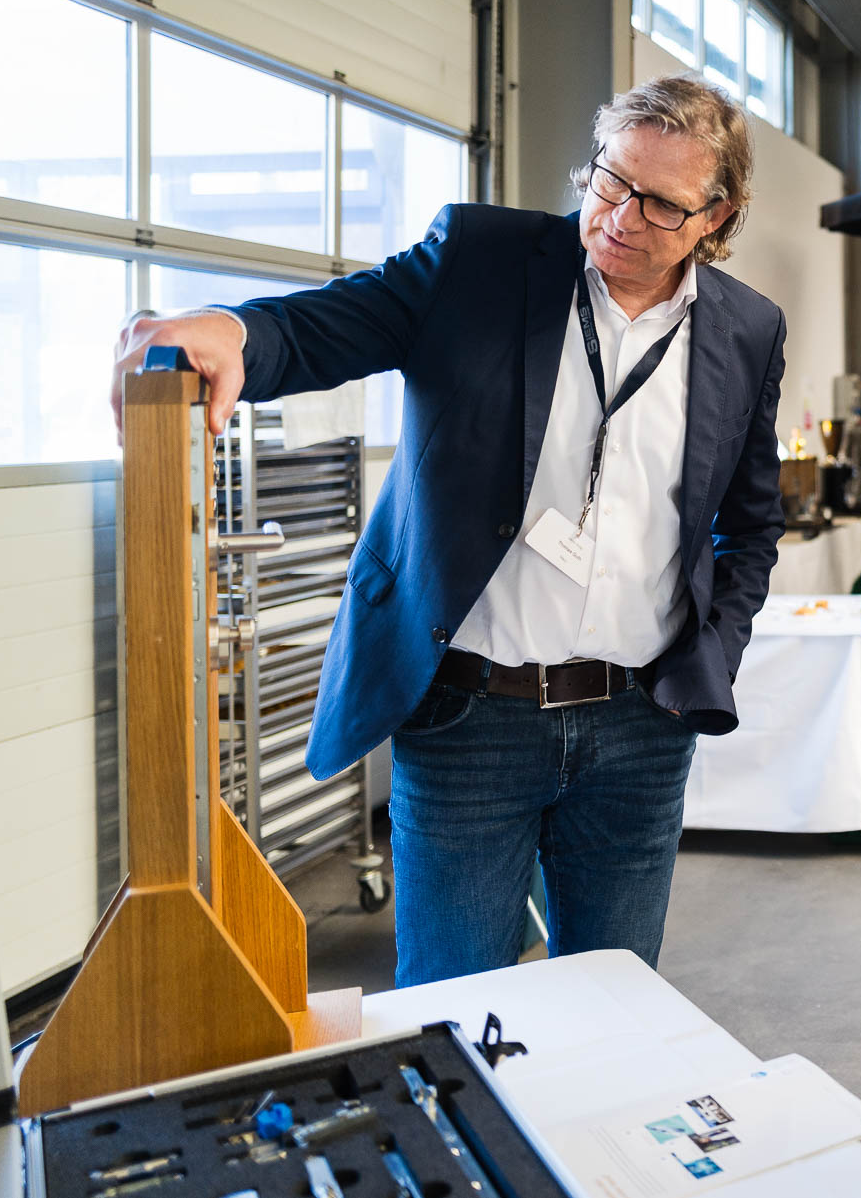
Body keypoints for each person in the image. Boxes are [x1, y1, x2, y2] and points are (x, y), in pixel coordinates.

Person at [108, 76, 787, 986]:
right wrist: (229, 330)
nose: (621, 215)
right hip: (472, 720)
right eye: (610, 181)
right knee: (455, 1011)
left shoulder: (747, 329)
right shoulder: (481, 259)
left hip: (640, 728)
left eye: (660, 204)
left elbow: (749, 522)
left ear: (718, 214)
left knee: (618, 1012)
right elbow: (324, 327)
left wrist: (711, 658)